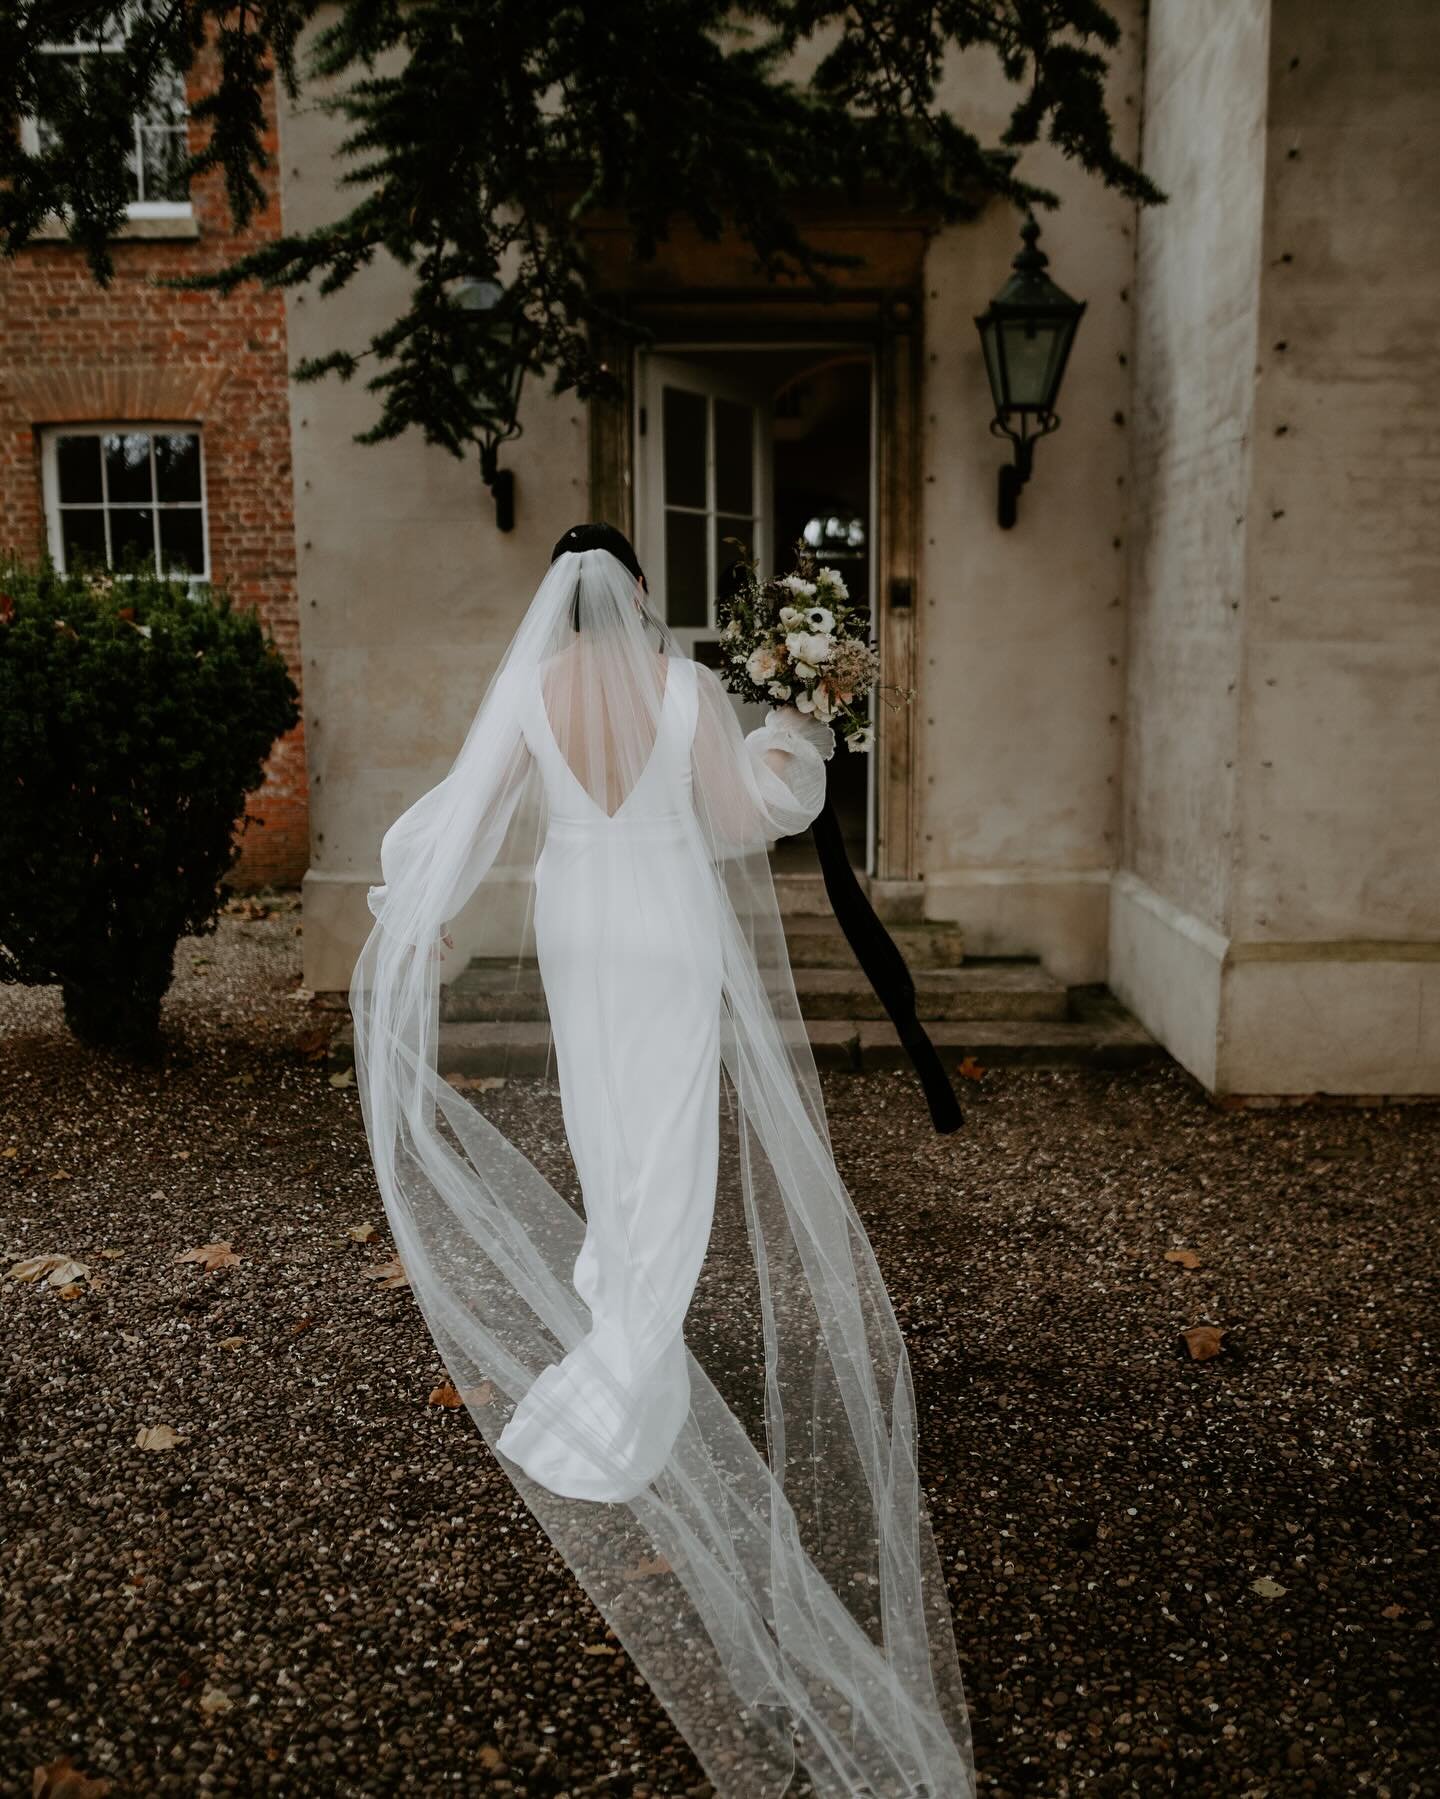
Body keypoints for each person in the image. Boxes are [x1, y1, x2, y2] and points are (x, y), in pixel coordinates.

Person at [350, 526, 974, 1797]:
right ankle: (635, 1348)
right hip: (671, 922)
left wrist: (415, 899)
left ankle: (615, 1318)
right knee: (676, 1131)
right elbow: (746, 816)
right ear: (638, 589)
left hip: (580, 920)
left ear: (555, 602)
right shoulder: (688, 686)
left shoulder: (530, 687)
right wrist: (796, 736)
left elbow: (469, 812)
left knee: (606, 1125)